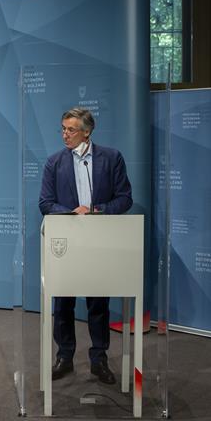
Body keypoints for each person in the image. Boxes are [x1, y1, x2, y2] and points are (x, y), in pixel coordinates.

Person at [38, 107, 132, 385]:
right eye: (63, 129)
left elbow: (124, 198)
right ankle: (64, 356)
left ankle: (98, 359)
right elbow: (45, 203)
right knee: (63, 302)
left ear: (87, 132)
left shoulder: (111, 158)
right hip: (67, 242)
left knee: (98, 304)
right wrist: (71, 213)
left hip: (100, 240)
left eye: (71, 130)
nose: (65, 135)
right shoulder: (54, 162)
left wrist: (96, 210)